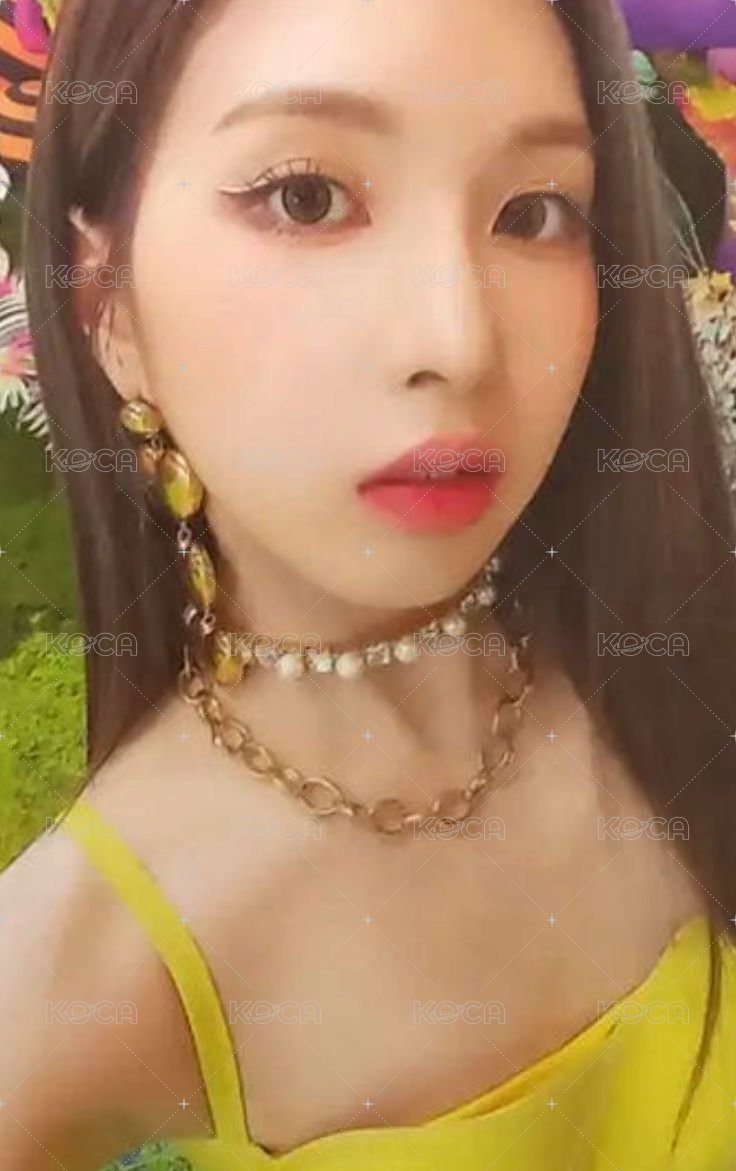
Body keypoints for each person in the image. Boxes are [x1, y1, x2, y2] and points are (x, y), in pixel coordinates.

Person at [2, 0, 736, 1169]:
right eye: (305, 198)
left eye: (532, 213)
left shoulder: (679, 656)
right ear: (108, 305)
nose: (455, 339)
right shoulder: (78, 965)